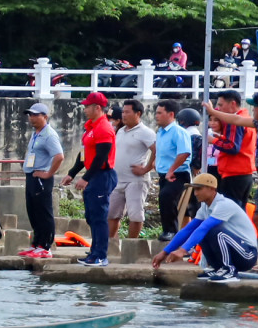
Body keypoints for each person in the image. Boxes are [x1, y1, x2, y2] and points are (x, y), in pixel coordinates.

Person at [153, 172, 258, 282]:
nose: (195, 193)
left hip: (248, 255)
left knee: (212, 230)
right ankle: (218, 268)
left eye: (199, 189)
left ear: (211, 189)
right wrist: (164, 252)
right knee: (203, 233)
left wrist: (183, 251)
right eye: (194, 190)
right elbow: (188, 230)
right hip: (236, 252)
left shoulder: (224, 204)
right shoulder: (204, 208)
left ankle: (228, 270)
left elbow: (204, 227)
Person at [68, 93, 117, 266]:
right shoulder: (91, 127)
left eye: (88, 106)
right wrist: (72, 173)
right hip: (94, 174)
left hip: (102, 175)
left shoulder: (103, 127)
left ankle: (101, 255)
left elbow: (101, 157)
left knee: (99, 216)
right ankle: (94, 252)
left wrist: (85, 178)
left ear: (97, 107)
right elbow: (84, 155)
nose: (85, 109)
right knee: (91, 216)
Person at [21, 103, 64, 259]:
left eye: (35, 115)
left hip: (41, 178)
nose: (32, 118)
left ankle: (45, 246)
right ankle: (36, 244)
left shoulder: (49, 135)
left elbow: (59, 156)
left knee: (43, 212)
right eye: (30, 115)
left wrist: (48, 173)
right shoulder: (36, 133)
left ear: (45, 116)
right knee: (32, 211)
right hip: (31, 175)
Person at [110, 101, 157, 242]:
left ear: (138, 114)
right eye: (123, 112)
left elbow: (157, 150)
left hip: (136, 181)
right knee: (112, 214)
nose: (124, 115)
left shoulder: (146, 132)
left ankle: (131, 245)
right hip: (117, 179)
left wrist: (146, 168)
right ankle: (109, 245)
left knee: (135, 215)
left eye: (127, 112)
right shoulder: (120, 131)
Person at [206, 88, 256, 210]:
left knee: (229, 214)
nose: (219, 109)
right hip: (245, 172)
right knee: (239, 212)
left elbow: (233, 147)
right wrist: (221, 138)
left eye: (221, 105)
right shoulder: (245, 117)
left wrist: (214, 141)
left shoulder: (235, 121)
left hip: (234, 173)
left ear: (232, 104)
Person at [153, 101, 193, 238]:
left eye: (159, 113)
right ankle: (168, 231)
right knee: (164, 200)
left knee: (167, 197)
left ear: (171, 114)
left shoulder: (178, 131)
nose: (156, 116)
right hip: (164, 174)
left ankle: (171, 231)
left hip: (178, 174)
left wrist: (171, 170)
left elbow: (184, 153)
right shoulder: (160, 132)